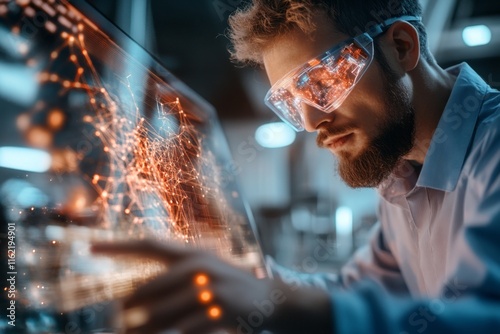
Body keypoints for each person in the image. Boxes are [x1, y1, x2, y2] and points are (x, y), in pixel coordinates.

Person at [92, 0, 500, 333]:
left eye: (323, 82)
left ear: (401, 47)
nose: (309, 122)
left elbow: (482, 320)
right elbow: (352, 291)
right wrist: (237, 270)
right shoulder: (402, 178)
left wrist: (279, 304)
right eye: (291, 101)